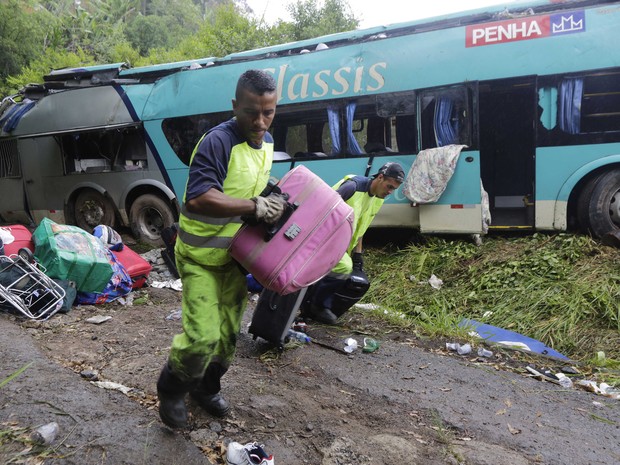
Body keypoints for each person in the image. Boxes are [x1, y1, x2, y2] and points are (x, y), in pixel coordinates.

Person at [156, 69, 288, 429]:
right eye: (251, 112)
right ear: (235, 106)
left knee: (228, 336)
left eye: (269, 112)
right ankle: (170, 388)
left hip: (233, 258)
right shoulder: (218, 141)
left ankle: (205, 388)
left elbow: (249, 180)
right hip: (199, 258)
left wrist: (274, 194)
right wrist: (254, 206)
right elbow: (199, 198)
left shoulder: (267, 141)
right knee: (202, 337)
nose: (260, 121)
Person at [304, 162, 405, 324]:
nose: (390, 192)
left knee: (345, 270)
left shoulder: (377, 198)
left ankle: (310, 304)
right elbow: (323, 209)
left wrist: (358, 254)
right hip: (322, 241)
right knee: (343, 267)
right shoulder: (352, 187)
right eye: (389, 186)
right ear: (380, 177)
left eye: (393, 189)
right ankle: (317, 306)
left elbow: (361, 227)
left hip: (340, 247)